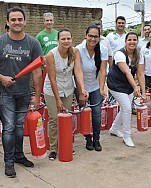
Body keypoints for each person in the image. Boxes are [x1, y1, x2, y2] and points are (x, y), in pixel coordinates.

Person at [0, 7, 42, 178]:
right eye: (13, 20)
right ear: (7, 22)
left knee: (19, 128)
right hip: (5, 93)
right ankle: (9, 162)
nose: (17, 22)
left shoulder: (33, 43)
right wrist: (2, 78)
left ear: (24, 22)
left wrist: (37, 96)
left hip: (24, 93)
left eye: (20, 19)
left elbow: (37, 72)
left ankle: (19, 155)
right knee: (9, 128)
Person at [44, 28, 88, 160]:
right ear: (58, 40)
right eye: (63, 38)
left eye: (68, 38)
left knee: (67, 118)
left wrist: (82, 89)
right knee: (54, 118)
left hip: (68, 88)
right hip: (52, 90)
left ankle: (66, 144)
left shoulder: (75, 52)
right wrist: (58, 100)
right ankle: (53, 148)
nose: (66, 41)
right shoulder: (51, 55)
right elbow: (52, 78)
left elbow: (78, 71)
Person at [107, 32, 146, 147]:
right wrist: (135, 87)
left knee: (125, 108)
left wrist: (143, 91)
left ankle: (114, 128)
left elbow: (140, 73)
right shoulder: (119, 54)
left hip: (127, 85)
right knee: (127, 109)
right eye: (130, 40)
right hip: (115, 84)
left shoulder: (139, 55)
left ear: (137, 41)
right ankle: (127, 135)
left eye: (134, 40)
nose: (132, 42)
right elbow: (127, 72)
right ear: (125, 41)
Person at [76, 25, 108, 151]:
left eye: (95, 37)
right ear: (86, 36)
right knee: (84, 112)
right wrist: (81, 90)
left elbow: (102, 70)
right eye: (90, 36)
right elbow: (77, 70)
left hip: (95, 85)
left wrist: (101, 88)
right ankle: (87, 137)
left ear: (99, 38)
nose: (93, 39)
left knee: (96, 113)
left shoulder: (103, 50)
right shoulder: (78, 49)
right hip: (80, 84)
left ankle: (96, 138)